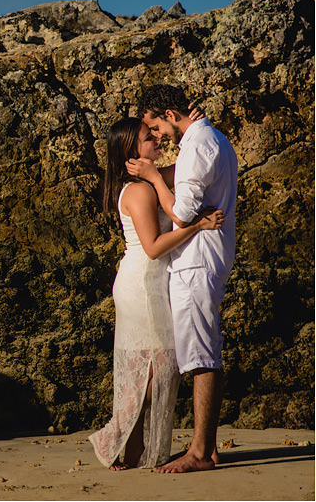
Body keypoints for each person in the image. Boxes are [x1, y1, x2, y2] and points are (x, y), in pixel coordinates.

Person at [89, 115, 224, 471]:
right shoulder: (136, 190)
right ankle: (116, 438)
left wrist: (192, 127)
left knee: (157, 370)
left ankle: (130, 447)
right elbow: (152, 247)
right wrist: (197, 225)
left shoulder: (150, 180)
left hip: (151, 283)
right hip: (142, 285)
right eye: (149, 138)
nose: (156, 140)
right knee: (155, 370)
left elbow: (190, 164)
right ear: (132, 151)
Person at [126, 84, 238, 473]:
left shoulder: (197, 145)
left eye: (156, 126)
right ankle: (206, 445)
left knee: (201, 354)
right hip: (205, 258)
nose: (157, 135)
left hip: (196, 261)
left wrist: (156, 178)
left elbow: (182, 214)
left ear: (171, 115)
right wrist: (156, 172)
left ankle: (200, 452)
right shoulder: (211, 138)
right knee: (203, 349)